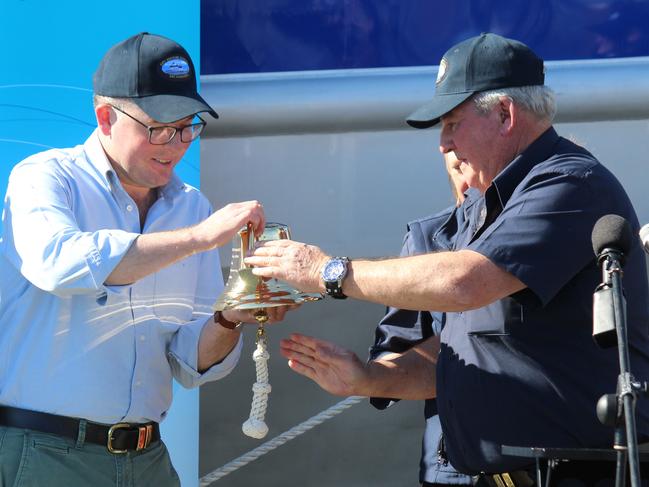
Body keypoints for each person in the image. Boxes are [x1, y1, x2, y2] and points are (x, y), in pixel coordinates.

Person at [246, 33, 649, 484]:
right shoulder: (488, 202)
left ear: (504, 114)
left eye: (453, 123)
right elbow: (459, 351)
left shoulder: (571, 183)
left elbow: (464, 283)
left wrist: (327, 271)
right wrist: (368, 378)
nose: (443, 143)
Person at [0, 32, 289, 486]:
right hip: (45, 452)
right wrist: (197, 238)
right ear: (105, 118)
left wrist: (234, 313)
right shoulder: (44, 177)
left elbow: (188, 357)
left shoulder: (191, 206)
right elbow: (60, 263)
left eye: (188, 125)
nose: (175, 143)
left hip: (147, 457)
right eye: (158, 127)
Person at [369, 151, 472, 487]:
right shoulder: (426, 238)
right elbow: (393, 350)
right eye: (458, 166)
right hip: (454, 466)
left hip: (548, 454)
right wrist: (361, 376)